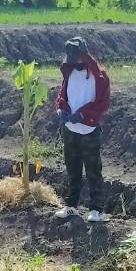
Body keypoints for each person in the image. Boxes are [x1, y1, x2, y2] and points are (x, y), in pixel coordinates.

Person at [53, 36, 110, 224]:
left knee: (93, 169)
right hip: (70, 128)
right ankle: (71, 206)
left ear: (84, 54)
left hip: (89, 130)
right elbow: (62, 95)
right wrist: (61, 109)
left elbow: (102, 103)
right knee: (72, 168)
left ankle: (96, 209)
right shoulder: (69, 73)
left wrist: (84, 115)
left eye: (76, 56)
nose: (74, 60)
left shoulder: (100, 76)